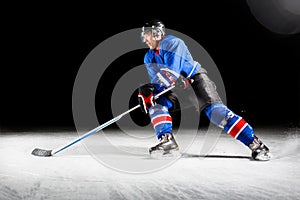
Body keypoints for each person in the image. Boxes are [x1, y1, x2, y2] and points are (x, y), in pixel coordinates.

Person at [137, 19, 271, 161]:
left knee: (217, 113)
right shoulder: (148, 57)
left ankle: (256, 144)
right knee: (156, 104)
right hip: (177, 88)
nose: (144, 39)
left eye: (147, 34)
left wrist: (156, 88)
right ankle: (167, 141)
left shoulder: (173, 43)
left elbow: (172, 73)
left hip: (195, 80)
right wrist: (149, 92)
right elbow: (159, 83)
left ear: (157, 33)